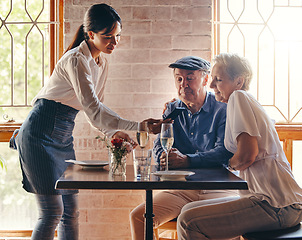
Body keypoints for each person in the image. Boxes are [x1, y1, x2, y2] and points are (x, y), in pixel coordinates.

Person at [12, 4, 162, 240]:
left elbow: (96, 112)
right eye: (108, 36)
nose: (115, 42)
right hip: (39, 134)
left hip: (62, 135)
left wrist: (113, 133)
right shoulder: (76, 60)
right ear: (90, 34)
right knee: (52, 212)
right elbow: (94, 110)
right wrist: (138, 126)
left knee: (71, 212)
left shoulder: (101, 63)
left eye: (118, 36)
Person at [177, 53, 302, 239]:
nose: (211, 86)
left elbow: (246, 156)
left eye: (218, 79)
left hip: (276, 203)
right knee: (187, 210)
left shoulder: (239, 97)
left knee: (189, 221)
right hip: (268, 200)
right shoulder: (241, 101)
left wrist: (229, 164)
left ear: (239, 81)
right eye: (212, 79)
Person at [129, 56, 235, 240]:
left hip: (218, 188)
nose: (183, 84)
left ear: (205, 80)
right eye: (179, 78)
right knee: (139, 217)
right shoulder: (172, 109)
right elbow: (160, 146)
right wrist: (164, 156)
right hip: (181, 190)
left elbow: (224, 152)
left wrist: (187, 160)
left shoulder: (222, 110)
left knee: (215, 225)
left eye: (189, 78)